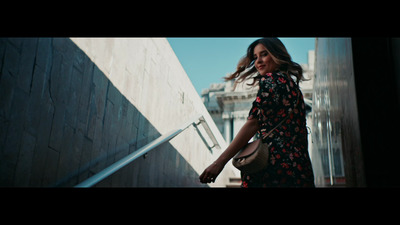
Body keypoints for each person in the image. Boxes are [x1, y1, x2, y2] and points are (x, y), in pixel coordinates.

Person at [199, 38, 315, 187]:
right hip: (300, 168)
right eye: (255, 57)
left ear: (277, 55)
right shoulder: (295, 89)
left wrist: (219, 162)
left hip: (272, 167)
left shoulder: (271, 80)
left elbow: (253, 123)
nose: (258, 61)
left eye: (264, 54)